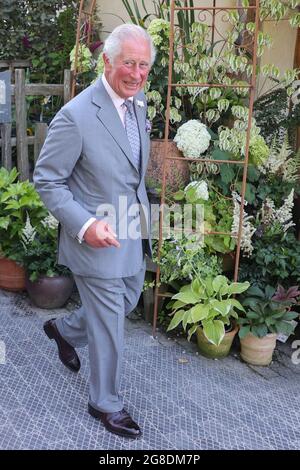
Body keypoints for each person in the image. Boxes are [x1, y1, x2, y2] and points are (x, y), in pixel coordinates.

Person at [33, 24, 156, 439]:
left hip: (131, 231)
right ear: (107, 61)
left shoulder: (138, 106)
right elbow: (47, 180)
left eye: (143, 65)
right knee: (109, 325)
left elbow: (131, 174)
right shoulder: (76, 115)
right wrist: (85, 225)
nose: (137, 73)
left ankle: (63, 331)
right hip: (94, 237)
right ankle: (105, 402)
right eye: (129, 63)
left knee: (124, 302)